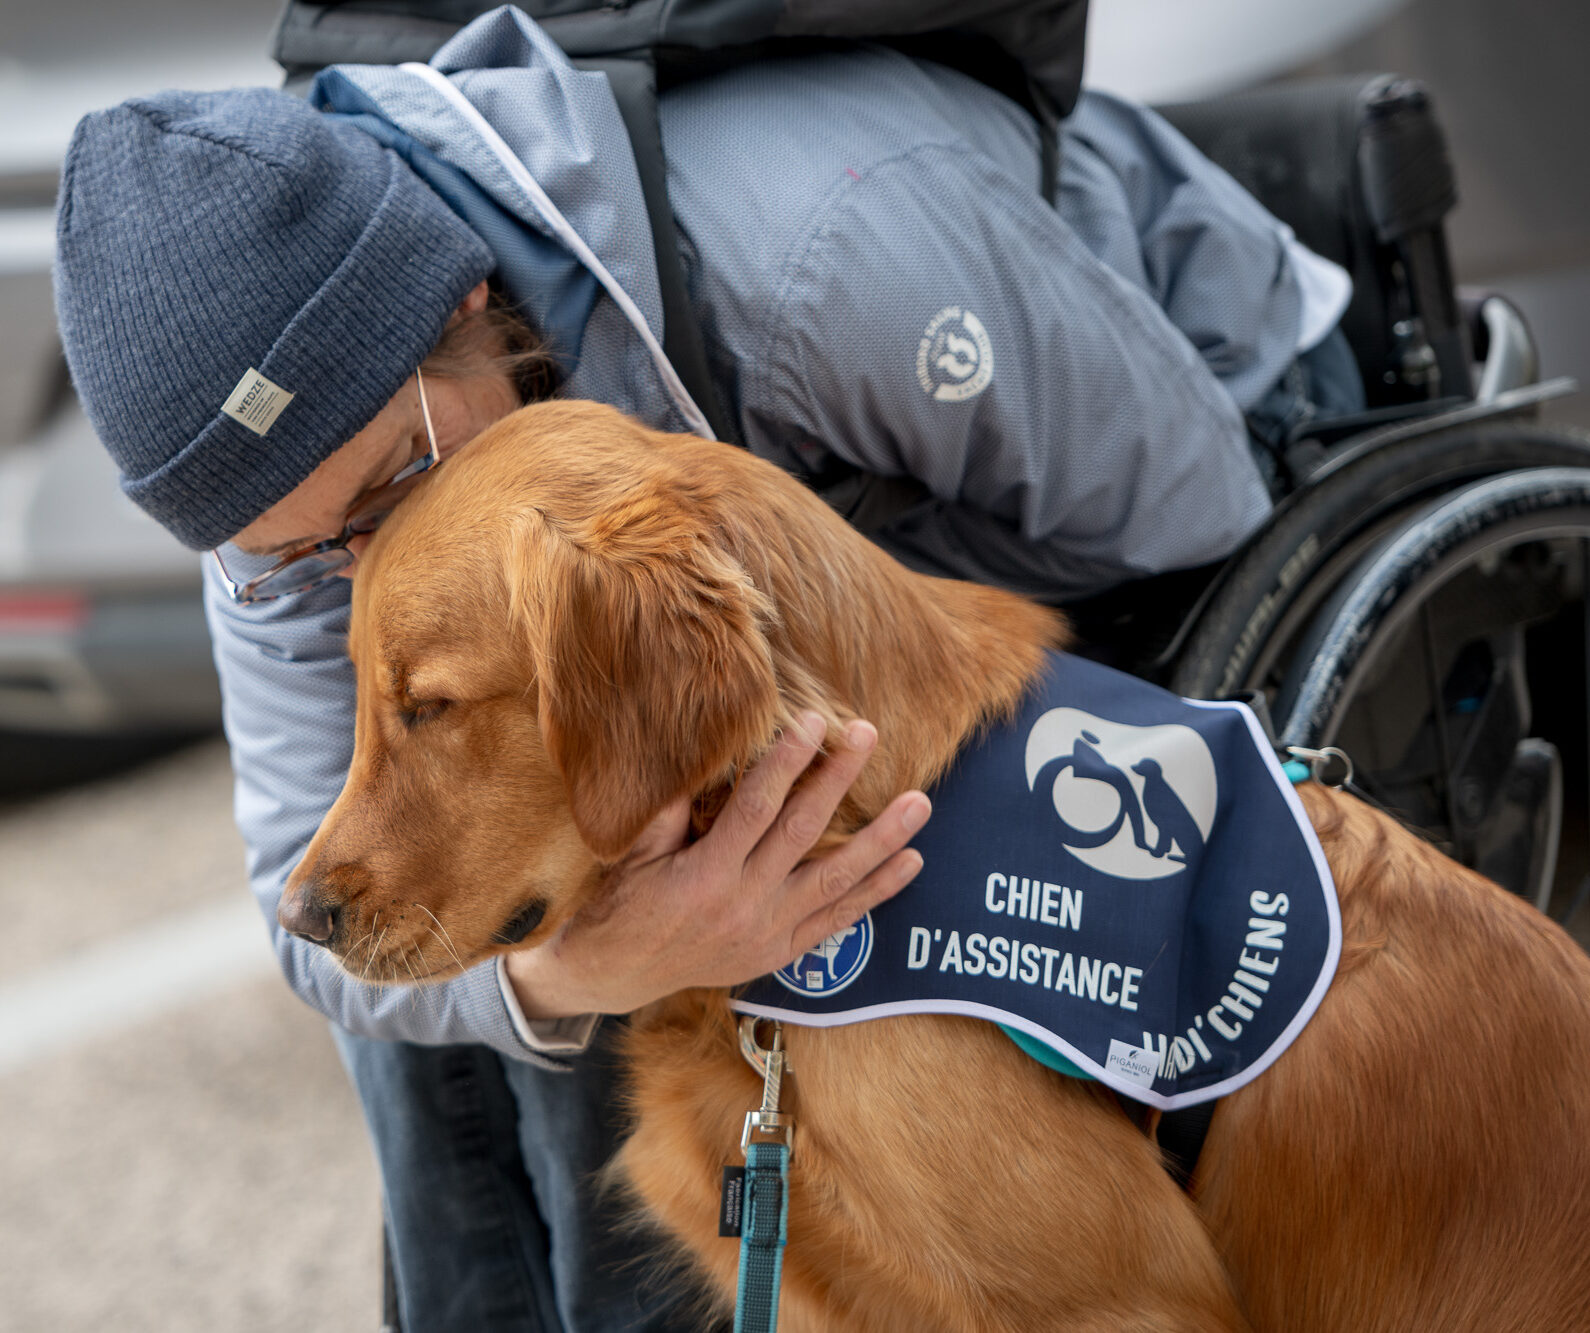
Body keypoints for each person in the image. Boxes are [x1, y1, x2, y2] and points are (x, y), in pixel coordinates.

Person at [52, 7, 1362, 1328]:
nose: (375, 554)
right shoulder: (298, 509)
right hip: (719, 580)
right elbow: (309, 886)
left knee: (624, 816)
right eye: (299, 554)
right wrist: (581, 967)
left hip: (1163, 436)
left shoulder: (830, 255)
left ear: (461, 307)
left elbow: (1189, 513)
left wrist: (773, 631)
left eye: (397, 486)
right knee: (441, 932)